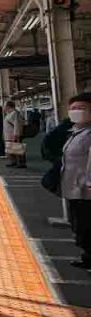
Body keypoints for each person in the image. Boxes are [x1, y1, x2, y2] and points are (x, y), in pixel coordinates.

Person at [61, 93, 91, 270]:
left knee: (87, 225)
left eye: (81, 108)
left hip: (86, 190)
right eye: (72, 109)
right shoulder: (76, 131)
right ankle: (87, 257)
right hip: (75, 188)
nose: (75, 112)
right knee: (81, 225)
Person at [3, 101, 26, 168]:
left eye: (5, 105)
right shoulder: (9, 113)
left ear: (9, 106)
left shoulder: (15, 113)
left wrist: (17, 134)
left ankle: (21, 163)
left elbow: (17, 124)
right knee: (11, 149)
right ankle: (13, 162)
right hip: (9, 134)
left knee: (18, 148)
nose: (4, 107)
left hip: (13, 134)